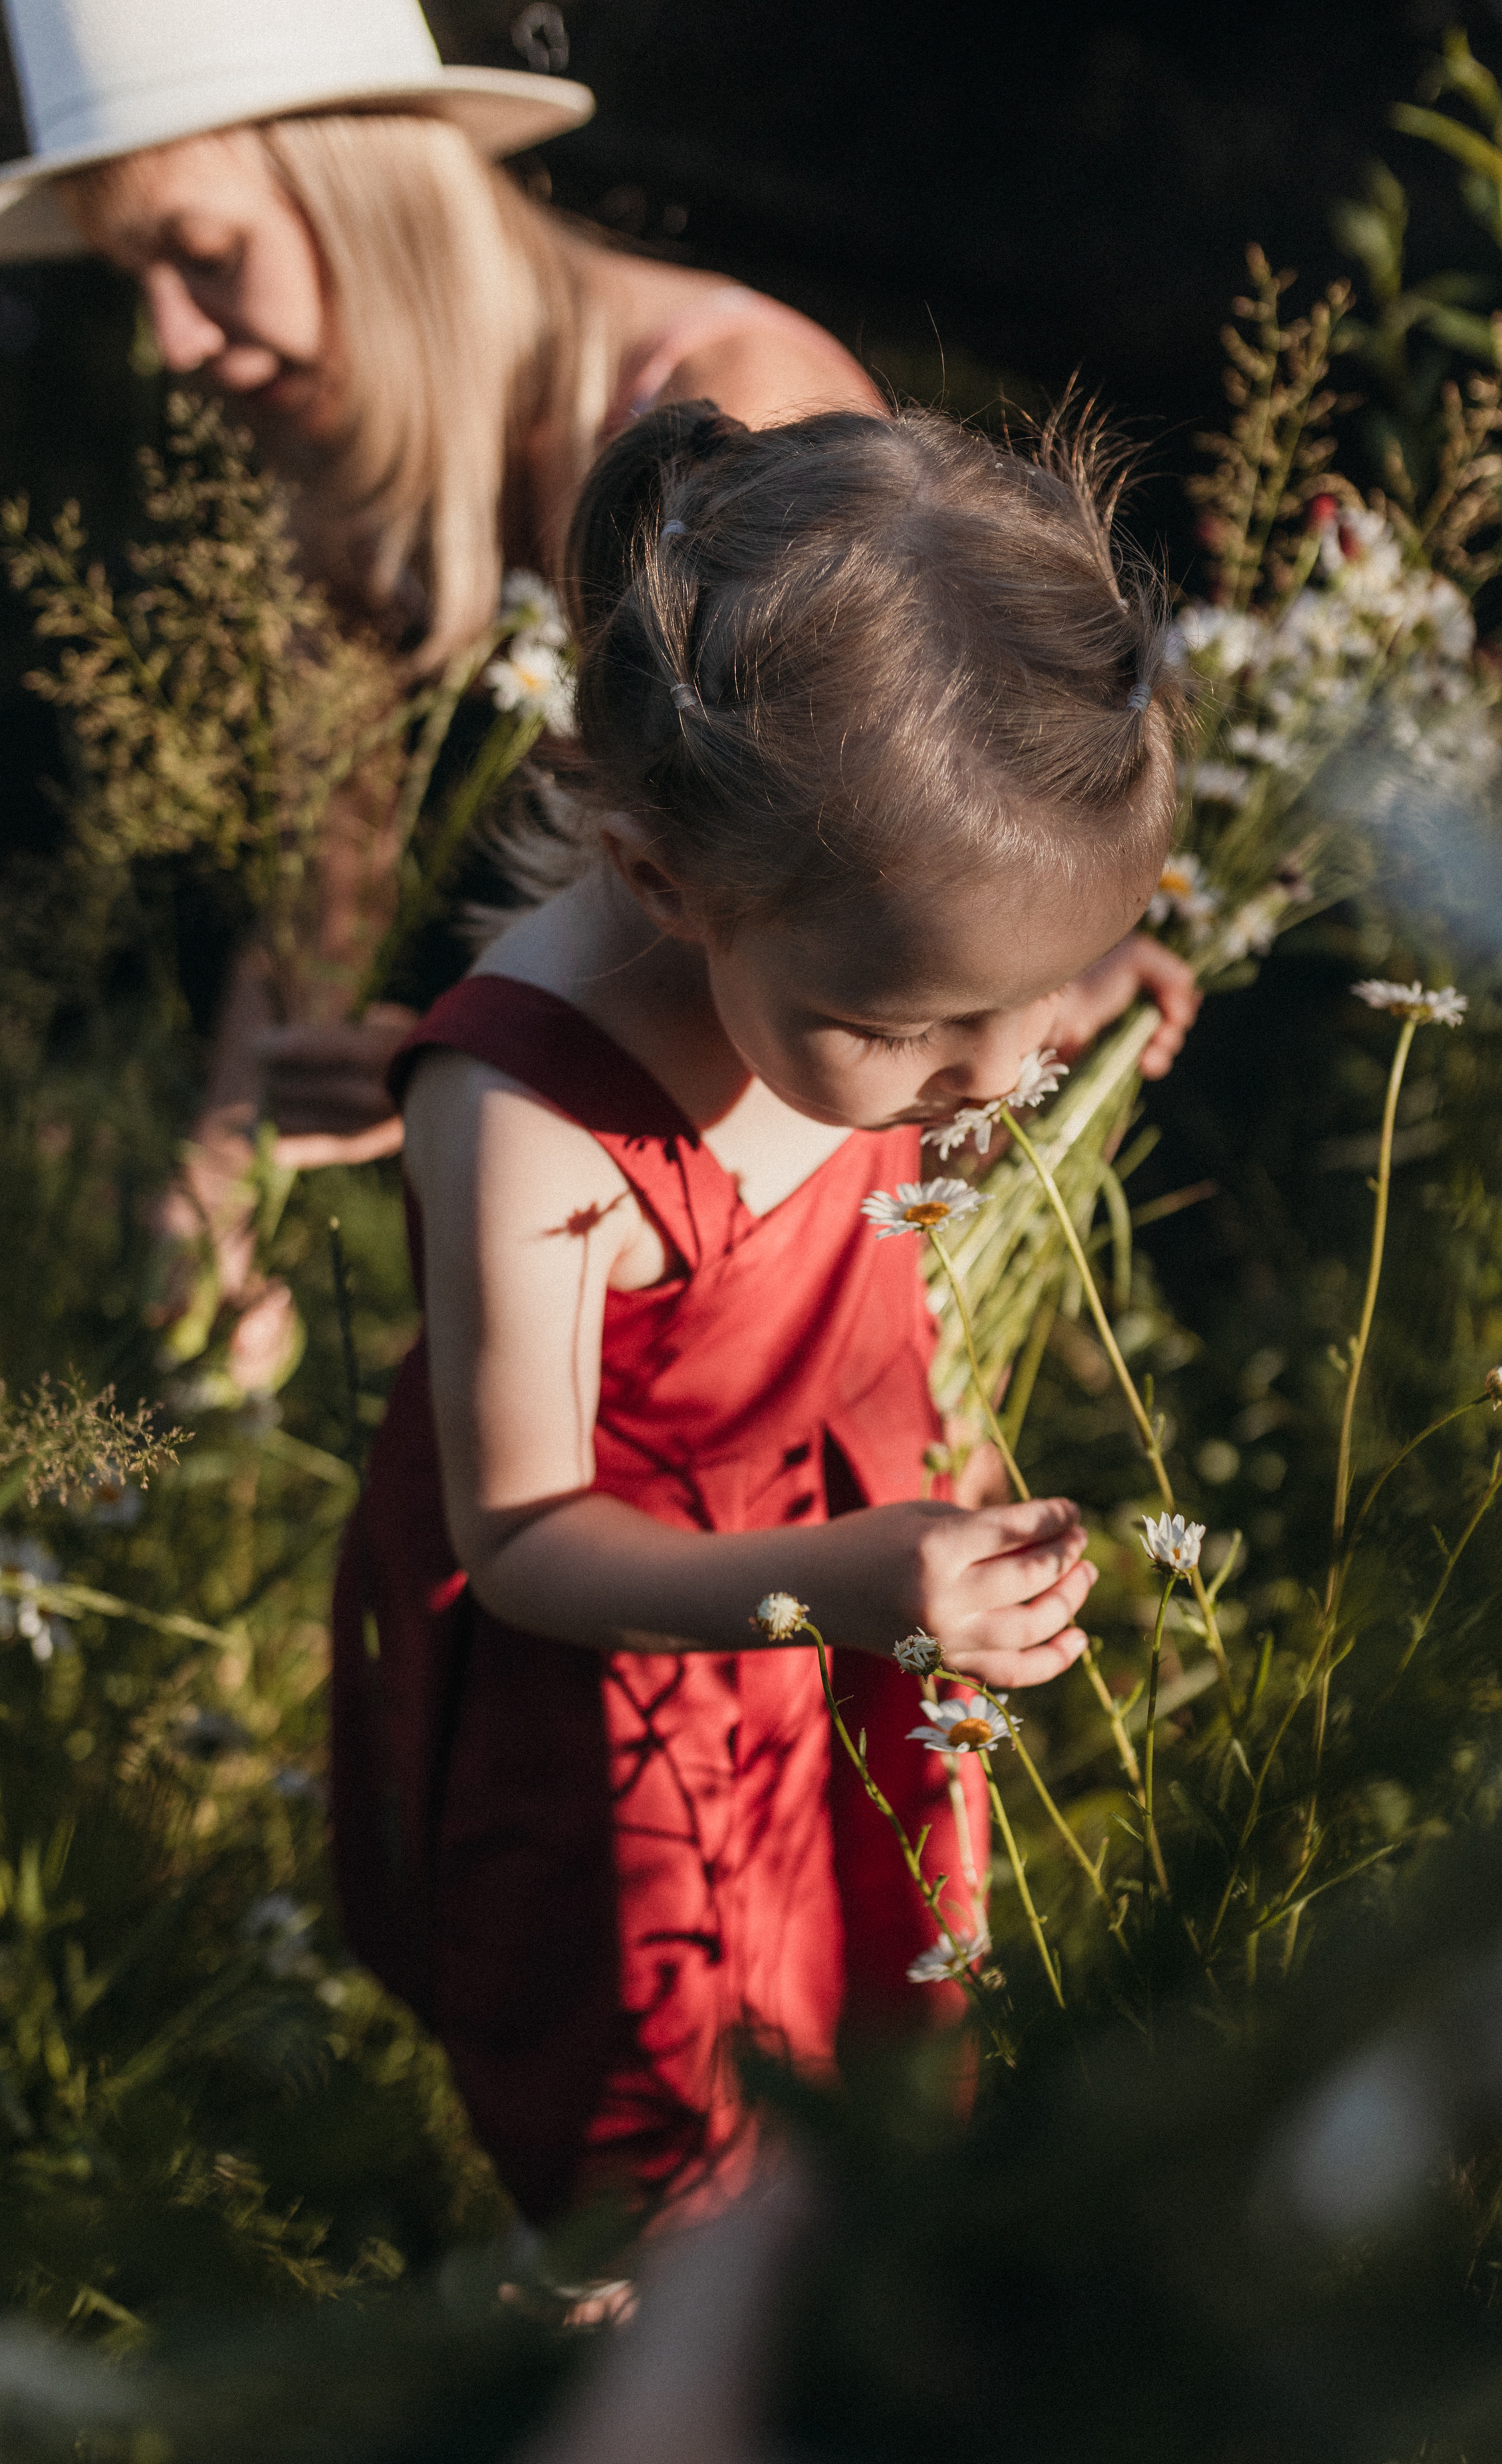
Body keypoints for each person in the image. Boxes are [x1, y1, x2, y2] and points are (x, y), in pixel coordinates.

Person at [329, 395, 1186, 2227]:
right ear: (659, 877)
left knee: (868, 2024)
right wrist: (852, 1583)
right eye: (906, 1028)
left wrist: (1073, 989)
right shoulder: (535, 1118)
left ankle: (826, 2330)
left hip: (845, 1575)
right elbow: (522, 1537)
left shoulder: (862, 965)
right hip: (640, 1672)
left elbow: (963, 995)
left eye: (1016, 1007)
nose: (983, 1078)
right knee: (670, 2092)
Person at [0, 1, 1199, 1249]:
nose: (170, 339)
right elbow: (327, 871)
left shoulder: (726, 416)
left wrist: (483, 1054)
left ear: (368, 196)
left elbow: (793, 915)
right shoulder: (355, 485)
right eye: (133, 276)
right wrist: (215, 1205)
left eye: (203, 252)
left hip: (828, 1180)